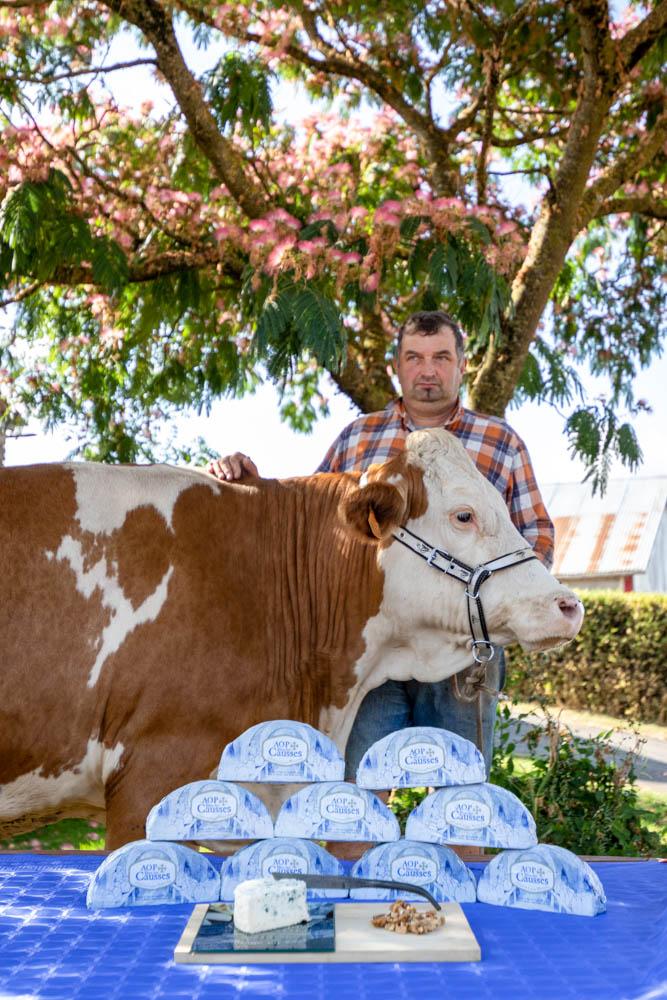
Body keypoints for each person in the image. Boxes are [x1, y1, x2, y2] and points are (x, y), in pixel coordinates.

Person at [208, 310, 554, 779]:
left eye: (441, 357)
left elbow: (536, 537)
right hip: (372, 660)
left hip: (461, 654)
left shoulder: (500, 441)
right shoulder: (358, 438)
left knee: (461, 797)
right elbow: (311, 531)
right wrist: (249, 485)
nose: (427, 370)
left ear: (462, 365)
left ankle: (458, 850)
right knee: (357, 797)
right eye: (414, 357)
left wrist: (508, 602)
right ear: (397, 365)